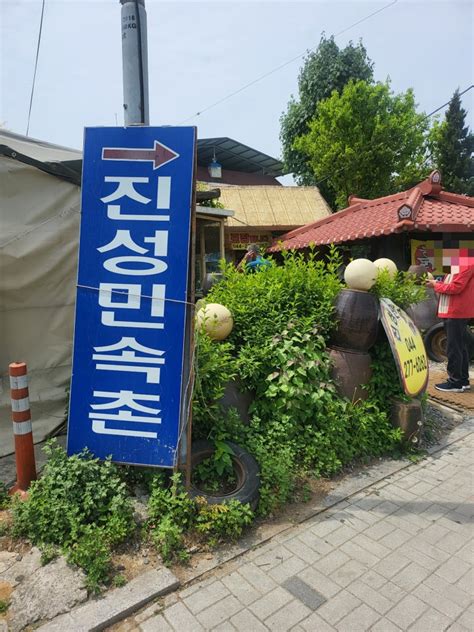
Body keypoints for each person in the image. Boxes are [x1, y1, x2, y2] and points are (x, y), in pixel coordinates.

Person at [426, 264, 474, 392]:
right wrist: (437, 282)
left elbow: (455, 287)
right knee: (460, 346)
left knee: (453, 347)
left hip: (456, 311)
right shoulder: (461, 264)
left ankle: (455, 382)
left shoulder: (465, 263)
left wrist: (435, 285)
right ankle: (462, 380)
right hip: (456, 311)